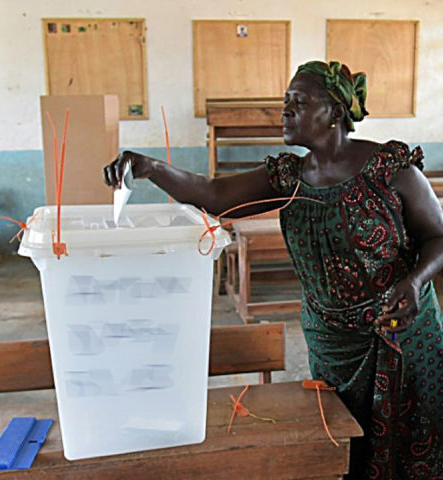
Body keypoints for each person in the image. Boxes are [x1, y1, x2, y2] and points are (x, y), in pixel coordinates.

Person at [104, 61, 443, 479]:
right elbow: (215, 195)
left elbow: (438, 237)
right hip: (333, 342)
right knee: (348, 445)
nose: (284, 111)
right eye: (284, 102)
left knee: (416, 442)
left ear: (335, 113)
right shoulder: (288, 177)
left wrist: (414, 281)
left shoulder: (390, 169)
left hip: (403, 333)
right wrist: (151, 168)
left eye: (298, 103)